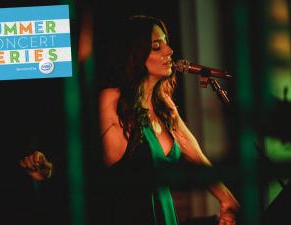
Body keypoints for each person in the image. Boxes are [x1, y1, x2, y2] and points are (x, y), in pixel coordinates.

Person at [98, 15, 239, 225]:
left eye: (165, 43)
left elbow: (195, 155)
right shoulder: (112, 99)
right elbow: (84, 152)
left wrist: (227, 199)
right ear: (136, 55)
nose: (169, 51)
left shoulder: (164, 104)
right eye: (156, 46)